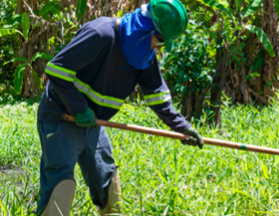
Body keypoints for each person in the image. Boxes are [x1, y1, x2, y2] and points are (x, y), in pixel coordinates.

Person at [36, 0, 203, 215]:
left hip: (94, 123)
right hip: (61, 116)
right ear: (147, 29)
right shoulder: (101, 34)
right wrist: (78, 108)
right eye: (160, 39)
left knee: (107, 182)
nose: (158, 48)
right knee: (60, 187)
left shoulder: (143, 54)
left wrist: (182, 127)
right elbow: (57, 70)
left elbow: (158, 98)